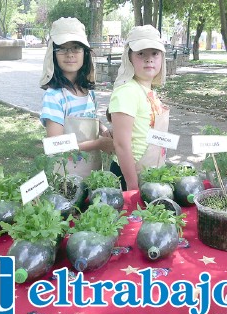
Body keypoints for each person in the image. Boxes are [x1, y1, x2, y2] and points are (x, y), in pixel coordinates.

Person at [40, 17, 113, 178]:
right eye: (62, 48)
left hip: (92, 173)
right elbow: (55, 145)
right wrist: (99, 143)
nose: (70, 54)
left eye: (76, 48)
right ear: (53, 53)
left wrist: (103, 129)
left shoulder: (89, 92)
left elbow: (88, 118)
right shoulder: (54, 96)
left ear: (85, 53)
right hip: (67, 180)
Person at [107, 25, 169, 191]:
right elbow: (121, 145)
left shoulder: (149, 91)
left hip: (149, 172)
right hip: (129, 175)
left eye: (154, 53)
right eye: (141, 53)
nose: (149, 59)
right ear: (129, 58)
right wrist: (133, 186)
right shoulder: (127, 92)